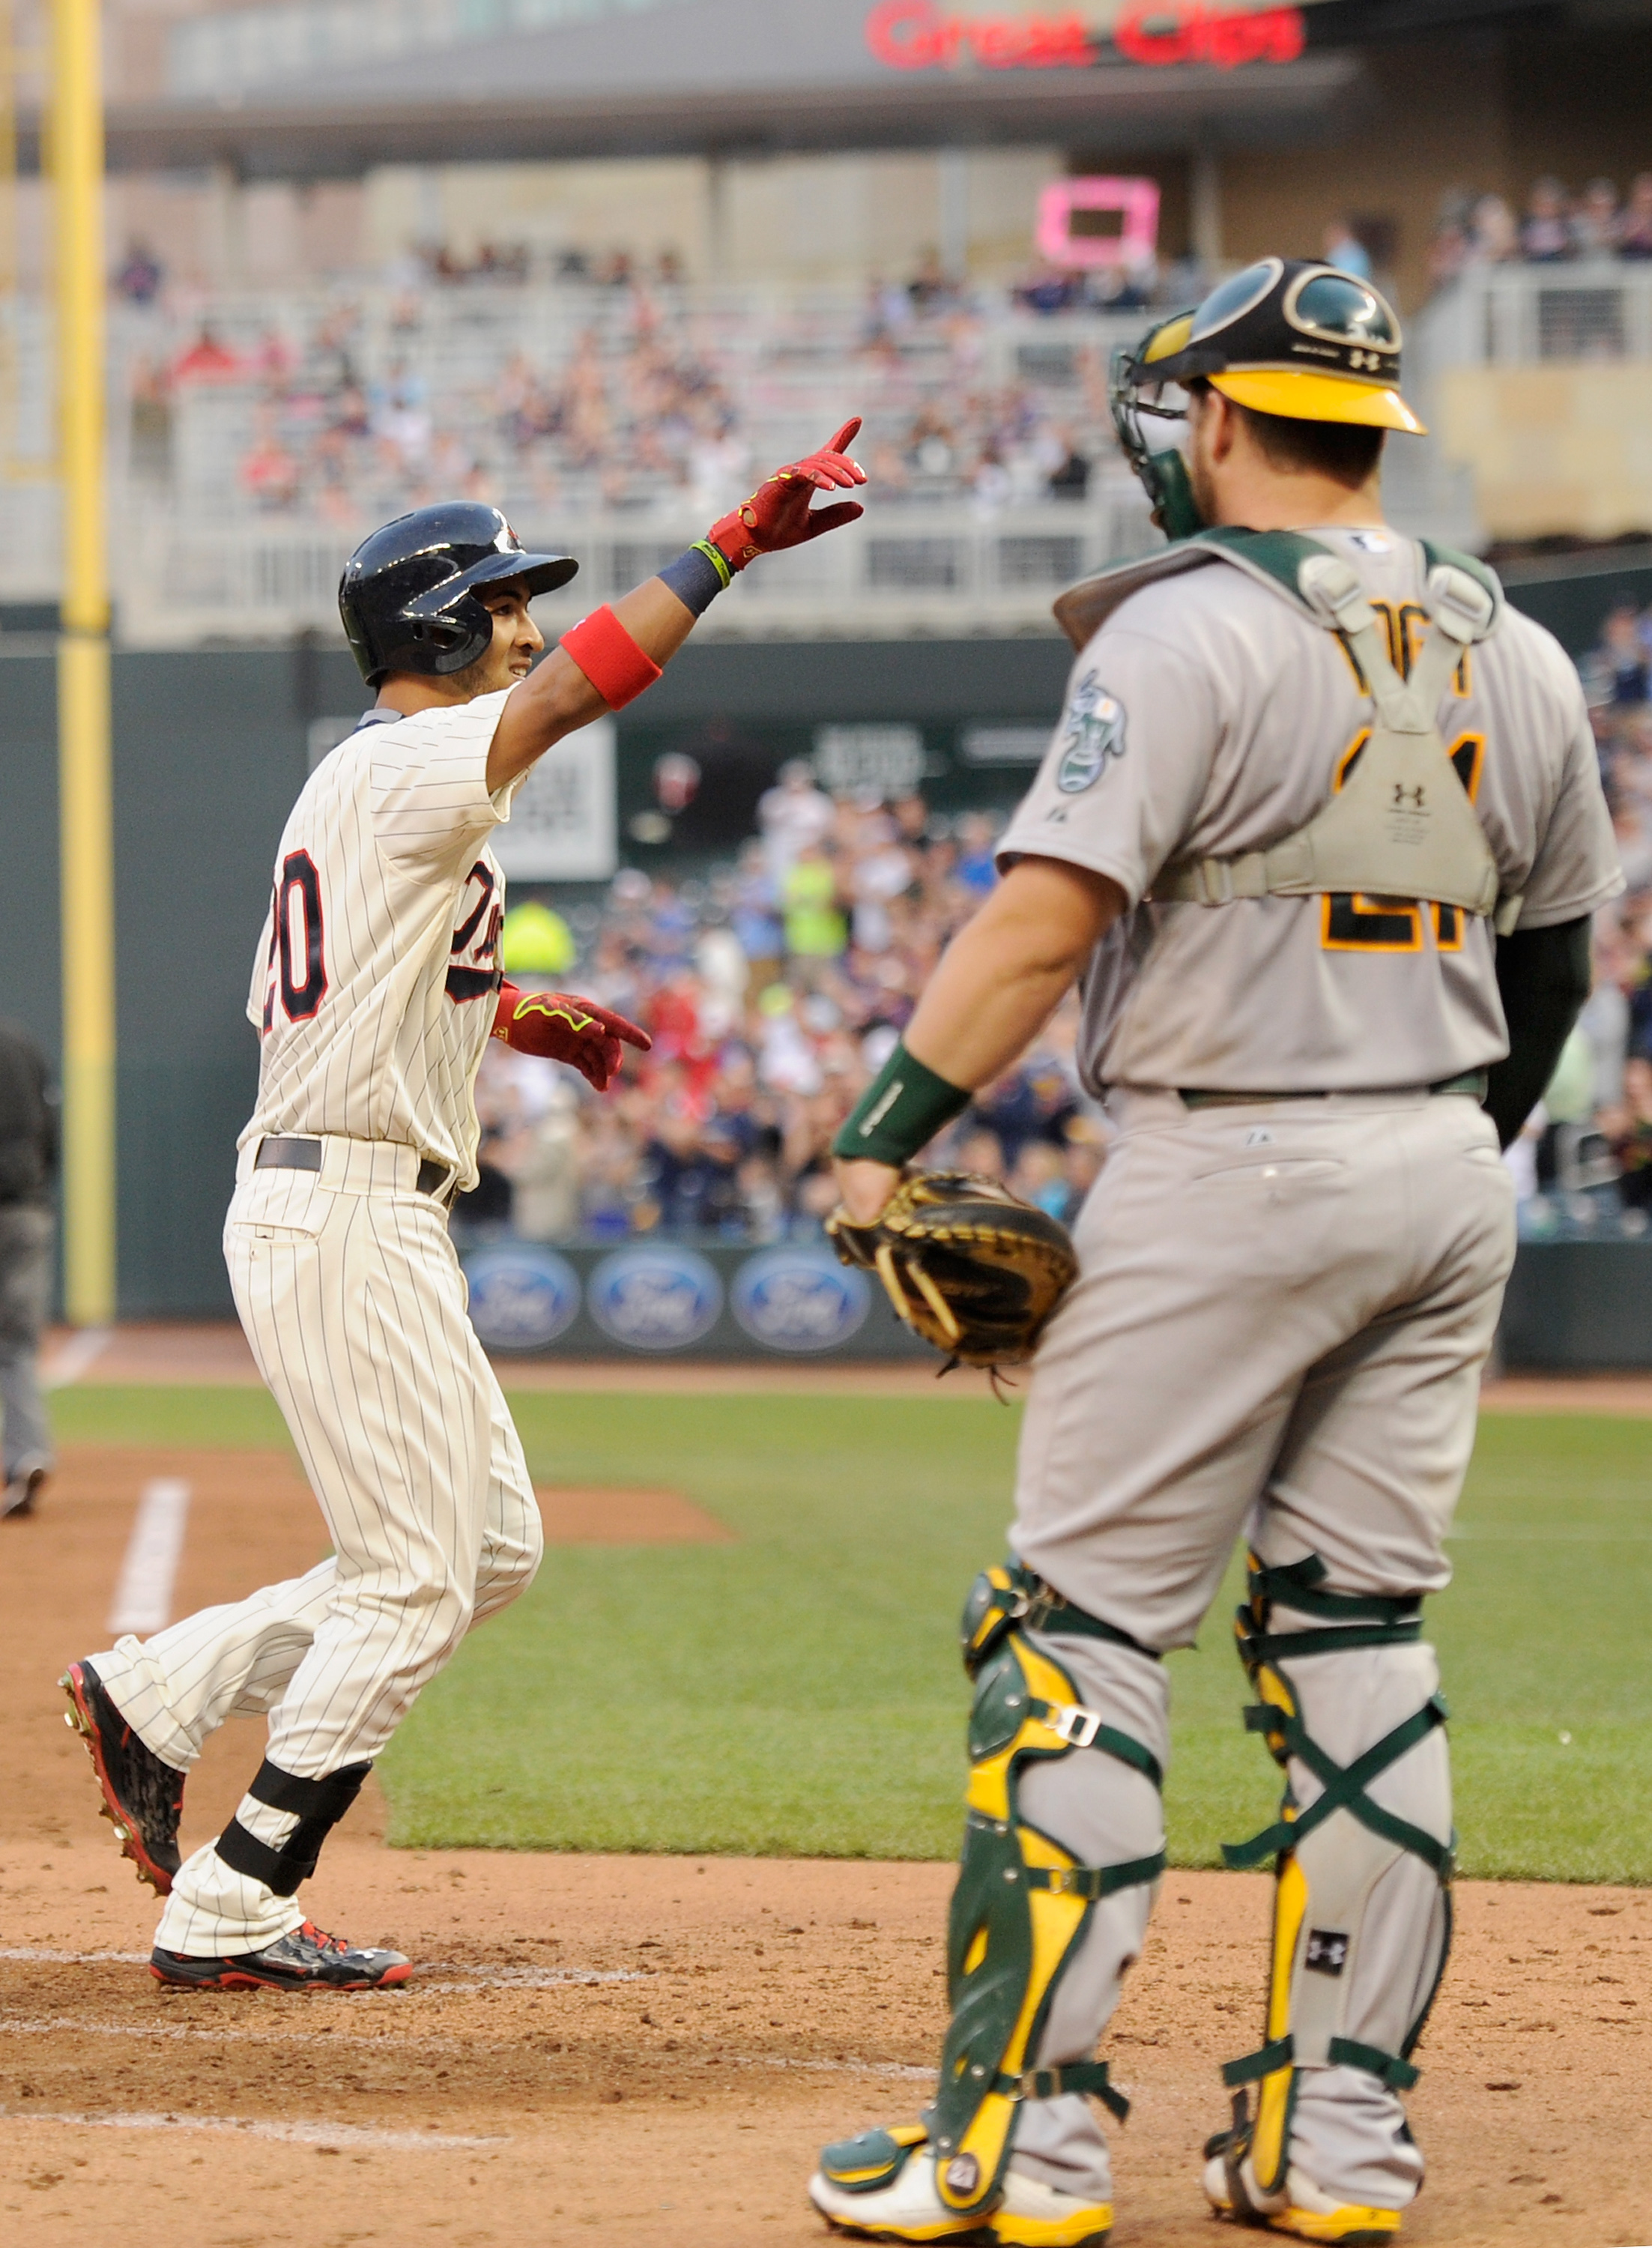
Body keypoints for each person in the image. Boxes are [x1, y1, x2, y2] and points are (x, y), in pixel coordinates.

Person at [808, 261, 1618, 2248]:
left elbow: (1032, 931)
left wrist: (875, 1143)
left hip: (1220, 1165)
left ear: (1220, 422)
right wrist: (1430, 1157)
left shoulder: (1177, 634)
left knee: (1073, 1636)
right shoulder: (1510, 643)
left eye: (1179, 412)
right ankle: (1333, 2151)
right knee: (1355, 1640)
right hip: (1443, 1171)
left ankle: (1020, 2149)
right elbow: (1555, 960)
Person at [61, 425, 867, 1993]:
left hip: (359, 1201)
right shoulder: (412, 757)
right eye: (502, 601)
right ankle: (237, 1891)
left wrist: (507, 1013)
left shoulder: (377, 787)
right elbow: (579, 693)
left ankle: (162, 1691)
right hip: (343, 1207)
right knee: (419, 1572)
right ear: (436, 630)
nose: (528, 627)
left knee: (484, 1548)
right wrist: (729, 547)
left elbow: (343, 989)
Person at [0, 1018, 58, 1520]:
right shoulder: (22, 1044)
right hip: (25, 1213)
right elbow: (51, 1130)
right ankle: (26, 1456)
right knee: (15, 1347)